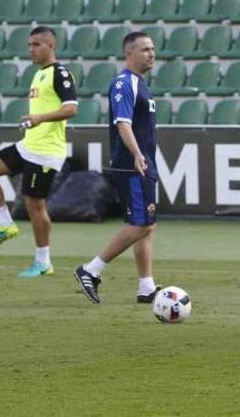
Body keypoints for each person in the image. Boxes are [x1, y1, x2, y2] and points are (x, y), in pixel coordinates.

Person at [0, 26, 78, 278]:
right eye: (29, 45)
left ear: (51, 46)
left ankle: (43, 262)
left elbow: (71, 109)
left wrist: (39, 118)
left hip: (45, 152)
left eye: (36, 45)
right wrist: (33, 121)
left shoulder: (60, 73)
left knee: (34, 204)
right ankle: (5, 224)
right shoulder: (38, 75)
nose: (31, 49)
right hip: (28, 146)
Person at [74, 32, 161, 305]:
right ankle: (91, 270)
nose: (151, 53)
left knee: (149, 225)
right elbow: (122, 123)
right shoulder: (124, 83)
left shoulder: (139, 83)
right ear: (129, 53)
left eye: (153, 49)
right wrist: (136, 154)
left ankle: (146, 287)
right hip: (132, 165)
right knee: (140, 224)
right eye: (145, 49)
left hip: (143, 163)